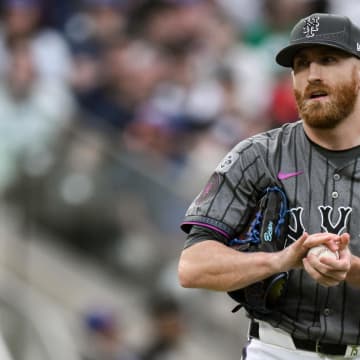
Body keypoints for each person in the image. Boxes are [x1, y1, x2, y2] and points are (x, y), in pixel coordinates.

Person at [178, 12, 360, 360]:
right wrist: (281, 260)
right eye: (301, 64)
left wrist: (350, 269)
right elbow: (192, 266)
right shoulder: (258, 156)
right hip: (277, 349)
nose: (313, 75)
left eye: (329, 59)